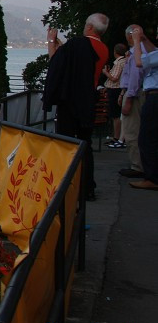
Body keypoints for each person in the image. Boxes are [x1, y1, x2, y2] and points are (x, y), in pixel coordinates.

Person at [42, 12, 110, 201]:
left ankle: (64, 186)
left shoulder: (77, 45)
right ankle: (87, 186)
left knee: (65, 143)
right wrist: (62, 45)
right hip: (88, 100)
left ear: (89, 27)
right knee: (85, 144)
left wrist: (50, 42)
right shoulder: (103, 48)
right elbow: (79, 64)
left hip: (70, 100)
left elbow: (56, 63)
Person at [128, 26, 158, 191]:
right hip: (153, 96)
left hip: (154, 97)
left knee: (147, 138)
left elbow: (139, 62)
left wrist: (137, 41)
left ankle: (152, 178)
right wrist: (144, 39)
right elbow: (153, 50)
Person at [118, 26, 146, 178]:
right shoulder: (144, 50)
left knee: (131, 129)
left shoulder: (136, 51)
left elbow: (135, 76)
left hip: (134, 94)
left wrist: (128, 97)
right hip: (140, 92)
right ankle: (142, 163)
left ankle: (137, 165)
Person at [103, 43, 128, 147]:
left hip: (115, 90)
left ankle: (116, 137)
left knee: (115, 115)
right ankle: (118, 137)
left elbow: (114, 78)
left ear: (115, 52)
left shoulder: (119, 63)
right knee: (116, 115)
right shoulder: (125, 61)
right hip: (117, 90)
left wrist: (105, 72)